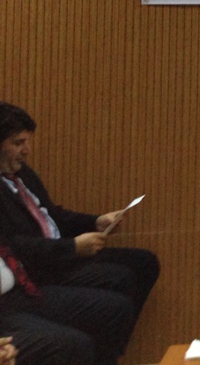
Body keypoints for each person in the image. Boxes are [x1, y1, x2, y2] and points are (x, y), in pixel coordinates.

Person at [0, 103, 159, 351]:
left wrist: (95, 221)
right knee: (118, 287)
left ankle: (106, 348)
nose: (27, 150)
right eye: (18, 143)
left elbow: (52, 215)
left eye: (28, 141)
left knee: (145, 262)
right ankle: (102, 351)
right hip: (40, 265)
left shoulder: (22, 172)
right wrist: (72, 247)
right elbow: (15, 245)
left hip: (60, 250)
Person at [0, 238, 135, 365]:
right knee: (73, 345)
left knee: (114, 307)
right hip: (8, 303)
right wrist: (71, 246)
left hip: (18, 289)